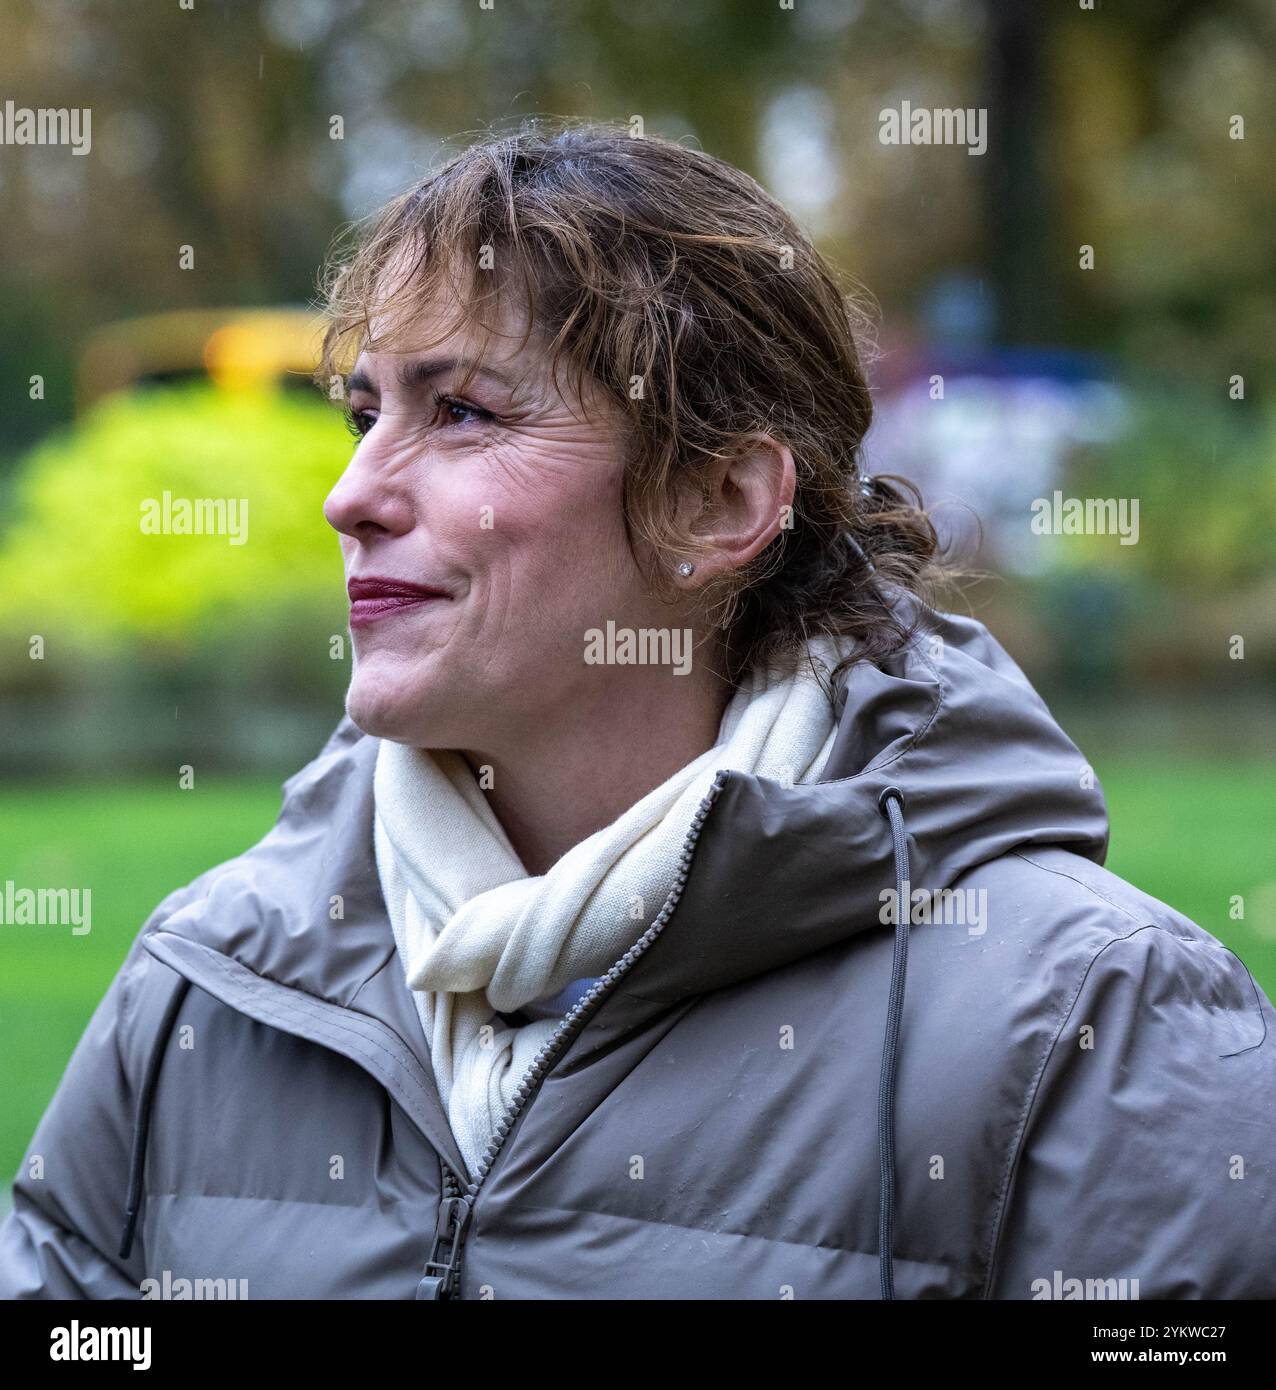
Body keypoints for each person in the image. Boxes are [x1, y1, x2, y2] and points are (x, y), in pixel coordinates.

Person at [3, 120, 1273, 1301]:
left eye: (460, 413)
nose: (350, 493)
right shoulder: (210, 977)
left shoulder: (1089, 1022)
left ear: (719, 503)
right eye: (362, 412)